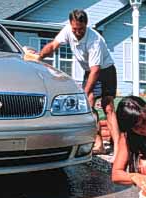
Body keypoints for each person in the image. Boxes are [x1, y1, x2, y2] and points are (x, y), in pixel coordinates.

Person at [37, 9, 119, 159]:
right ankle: (99, 144)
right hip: (90, 71)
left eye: (81, 29)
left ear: (86, 25)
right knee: (89, 106)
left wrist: (84, 91)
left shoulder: (95, 40)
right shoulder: (68, 30)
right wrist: (39, 56)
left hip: (105, 70)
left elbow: (96, 70)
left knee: (108, 107)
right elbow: (54, 46)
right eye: (75, 28)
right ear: (71, 24)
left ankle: (119, 149)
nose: (77, 32)